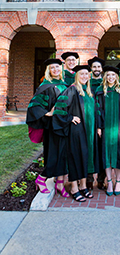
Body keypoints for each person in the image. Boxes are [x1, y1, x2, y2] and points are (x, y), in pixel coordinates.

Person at [52, 65, 98, 202]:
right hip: (77, 131)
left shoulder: (89, 92)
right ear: (77, 76)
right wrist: (70, 118)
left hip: (89, 131)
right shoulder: (72, 90)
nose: (84, 76)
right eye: (81, 74)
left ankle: (83, 186)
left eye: (86, 74)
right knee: (76, 158)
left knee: (86, 157)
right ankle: (74, 187)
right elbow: (59, 109)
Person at [26, 58, 69, 197]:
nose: (56, 70)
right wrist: (47, 113)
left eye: (58, 67)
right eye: (53, 68)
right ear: (49, 71)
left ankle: (60, 184)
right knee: (53, 155)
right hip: (52, 126)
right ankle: (41, 178)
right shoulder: (45, 86)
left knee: (63, 155)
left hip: (64, 124)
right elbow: (34, 105)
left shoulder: (64, 84)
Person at [96, 66, 120, 196]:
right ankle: (109, 181)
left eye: (113, 75)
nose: (110, 77)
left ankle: (118, 181)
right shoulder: (100, 91)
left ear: (116, 77)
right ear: (105, 77)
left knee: (119, 154)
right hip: (105, 127)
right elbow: (98, 110)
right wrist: (99, 126)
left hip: (118, 127)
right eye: (108, 75)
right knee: (106, 154)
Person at [87, 56, 106, 190]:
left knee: (101, 150)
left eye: (98, 67)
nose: (96, 69)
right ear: (91, 69)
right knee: (89, 149)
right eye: (94, 67)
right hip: (88, 121)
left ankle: (101, 179)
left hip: (102, 121)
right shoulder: (86, 83)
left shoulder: (104, 84)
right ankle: (88, 180)